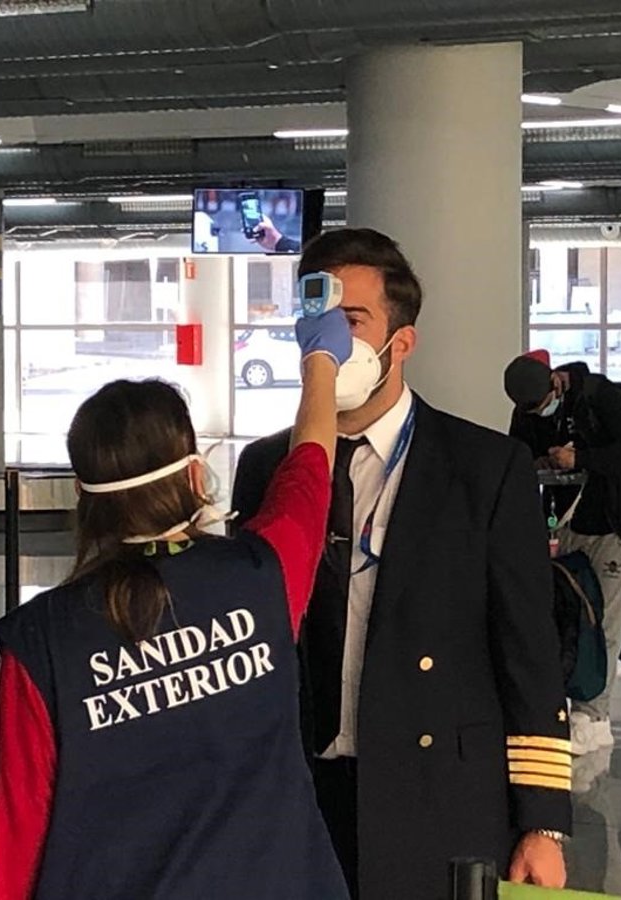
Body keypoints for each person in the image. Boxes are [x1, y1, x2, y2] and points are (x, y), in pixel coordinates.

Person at [0, 303, 354, 898]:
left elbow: (12, 834)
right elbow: (309, 470)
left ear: (84, 498)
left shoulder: (44, 641)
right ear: (195, 475)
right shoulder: (263, 576)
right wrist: (321, 362)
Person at [233, 229, 572, 899]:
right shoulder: (268, 466)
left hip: (438, 789)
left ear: (403, 342)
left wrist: (542, 821)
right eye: (315, 320)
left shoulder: (485, 468)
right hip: (299, 792)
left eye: (352, 321)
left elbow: (529, 647)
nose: (327, 343)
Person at [504, 353, 621, 756]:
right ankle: (568, 705)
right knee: (568, 615)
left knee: (605, 620)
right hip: (559, 524)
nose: (538, 412)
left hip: (610, 524)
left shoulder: (599, 396)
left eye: (542, 403)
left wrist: (581, 459)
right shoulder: (526, 411)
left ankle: (595, 716)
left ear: (556, 381)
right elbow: (518, 455)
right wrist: (539, 462)